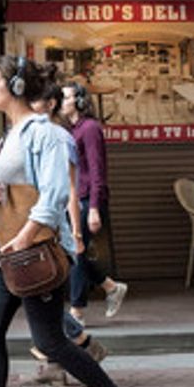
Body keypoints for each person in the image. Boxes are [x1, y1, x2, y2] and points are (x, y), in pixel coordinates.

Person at [0, 57, 143, 387]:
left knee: (52, 341)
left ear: (17, 87)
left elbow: (53, 195)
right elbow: (20, 187)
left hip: (34, 252)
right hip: (4, 252)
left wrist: (24, 238)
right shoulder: (10, 134)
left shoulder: (47, 135)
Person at [28, 84, 107, 385]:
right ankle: (68, 355)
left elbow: (75, 189)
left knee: (37, 297)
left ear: (49, 104)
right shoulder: (32, 135)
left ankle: (84, 347)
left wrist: (77, 229)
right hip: (33, 228)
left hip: (50, 229)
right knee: (39, 301)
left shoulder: (65, 137)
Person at [60, 82, 129, 323]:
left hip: (88, 198)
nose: (61, 101)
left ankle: (76, 312)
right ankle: (110, 287)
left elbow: (98, 170)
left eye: (65, 97)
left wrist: (93, 209)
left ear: (79, 101)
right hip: (74, 198)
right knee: (72, 250)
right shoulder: (71, 129)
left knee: (76, 251)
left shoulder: (89, 128)